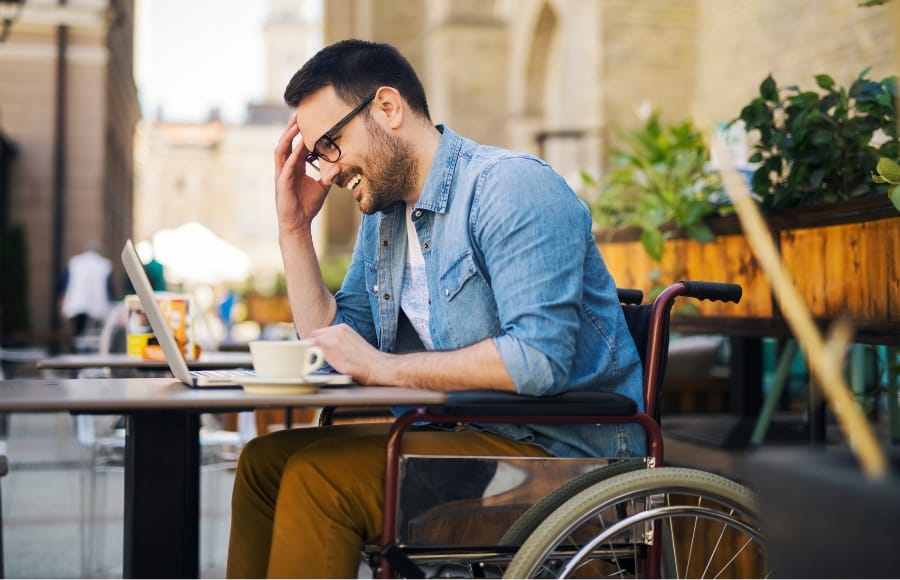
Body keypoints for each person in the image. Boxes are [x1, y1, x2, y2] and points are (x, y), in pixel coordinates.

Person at [226, 39, 646, 578]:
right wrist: (293, 230)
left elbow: (539, 360)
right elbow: (332, 347)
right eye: (315, 155)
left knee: (319, 479)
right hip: (458, 439)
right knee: (265, 463)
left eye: (329, 144)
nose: (325, 172)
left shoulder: (510, 187)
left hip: (561, 457)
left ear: (388, 107)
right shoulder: (384, 221)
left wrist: (385, 368)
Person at [59, 241, 114, 352]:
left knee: (78, 335)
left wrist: (63, 301)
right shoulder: (104, 264)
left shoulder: (75, 262)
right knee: (94, 338)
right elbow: (109, 288)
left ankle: (77, 357)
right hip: (97, 305)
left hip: (77, 304)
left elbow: (63, 284)